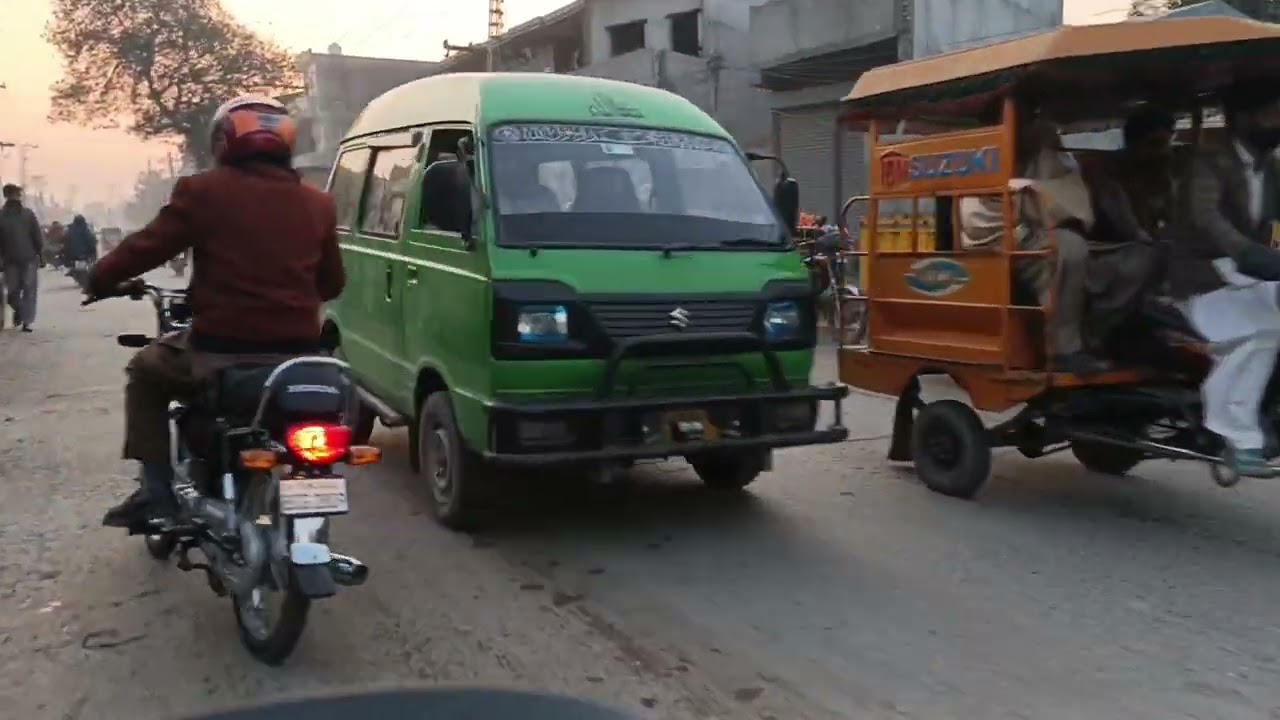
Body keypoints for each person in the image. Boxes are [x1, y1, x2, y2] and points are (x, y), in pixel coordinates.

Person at [90, 94, 346, 529]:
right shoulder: (318, 203)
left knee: (145, 372)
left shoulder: (203, 192)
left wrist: (98, 279)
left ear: (225, 140)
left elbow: (145, 248)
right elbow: (332, 284)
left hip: (222, 352)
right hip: (298, 357)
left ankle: (156, 493)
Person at [1166, 82, 1280, 478]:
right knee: (1260, 333)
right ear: (1243, 119)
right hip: (1201, 276)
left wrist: (1269, 255)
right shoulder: (1209, 161)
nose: (1278, 122)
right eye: (1272, 113)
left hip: (1248, 272)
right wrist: (1251, 255)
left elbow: (1274, 223)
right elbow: (1207, 219)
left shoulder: (1271, 167)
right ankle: (1238, 436)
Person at [961, 106, 1112, 373]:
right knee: (1068, 247)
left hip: (1034, 230)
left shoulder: (1042, 152)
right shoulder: (981, 153)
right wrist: (1028, 194)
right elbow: (981, 214)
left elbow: (1067, 194)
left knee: (1123, 256)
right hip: (997, 240)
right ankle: (1063, 350)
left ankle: (1101, 337)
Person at [0, 184, 44, 332]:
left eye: (16, 195)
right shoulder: (1, 216)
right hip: (10, 261)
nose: (15, 198)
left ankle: (26, 321)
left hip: (28, 259)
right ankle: (20, 312)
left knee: (28, 291)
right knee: (13, 293)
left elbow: (37, 237)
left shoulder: (28, 214)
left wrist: (41, 255)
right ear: (7, 196)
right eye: (13, 195)